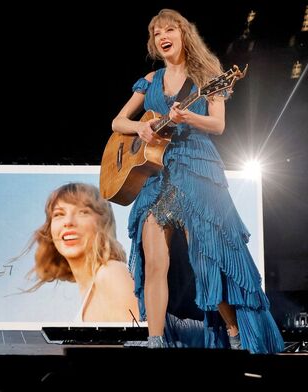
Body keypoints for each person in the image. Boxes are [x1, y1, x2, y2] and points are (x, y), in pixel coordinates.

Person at [111, 9, 284, 353]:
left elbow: (218, 125)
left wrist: (189, 117)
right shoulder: (151, 79)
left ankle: (234, 332)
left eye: (169, 30)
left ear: (183, 34)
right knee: (155, 263)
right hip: (158, 175)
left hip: (197, 170)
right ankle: (155, 340)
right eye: (157, 32)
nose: (163, 36)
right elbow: (118, 122)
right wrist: (140, 127)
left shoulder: (207, 74)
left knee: (208, 260)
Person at [25, 182, 139, 323]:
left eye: (83, 212)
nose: (68, 222)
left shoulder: (111, 273)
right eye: (59, 214)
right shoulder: (92, 290)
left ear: (103, 223)